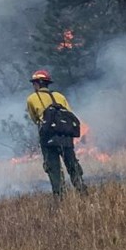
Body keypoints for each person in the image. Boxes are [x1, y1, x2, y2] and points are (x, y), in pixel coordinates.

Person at [25, 69, 86, 197]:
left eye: (34, 83)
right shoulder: (60, 96)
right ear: (47, 83)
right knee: (72, 165)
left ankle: (59, 197)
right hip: (65, 137)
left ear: (36, 84)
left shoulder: (32, 98)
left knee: (53, 169)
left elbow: (35, 119)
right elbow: (69, 113)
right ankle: (82, 191)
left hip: (48, 138)